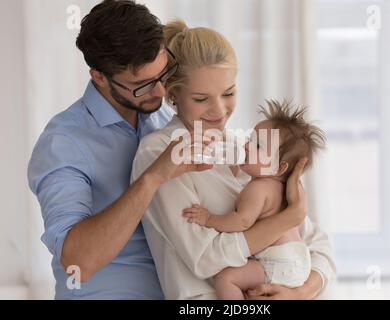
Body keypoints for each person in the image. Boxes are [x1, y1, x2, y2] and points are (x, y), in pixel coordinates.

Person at [131, 20, 336, 300]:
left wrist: (300, 292)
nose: (219, 110)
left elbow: (316, 244)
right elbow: (205, 258)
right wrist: (288, 217)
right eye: (202, 98)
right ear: (173, 94)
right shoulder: (159, 154)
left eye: (228, 93)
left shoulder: (248, 149)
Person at [27, 0, 213, 299]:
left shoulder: (163, 118)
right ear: (99, 77)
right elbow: (77, 262)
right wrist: (152, 178)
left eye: (164, 73)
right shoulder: (63, 142)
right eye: (143, 84)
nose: (162, 91)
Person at [182, 100, 326, 299]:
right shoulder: (282, 189)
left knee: (226, 279)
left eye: (258, 146)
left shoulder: (258, 188)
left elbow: (241, 221)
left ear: (278, 168)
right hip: (299, 261)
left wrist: (208, 219)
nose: (247, 146)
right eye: (250, 139)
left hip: (280, 262)